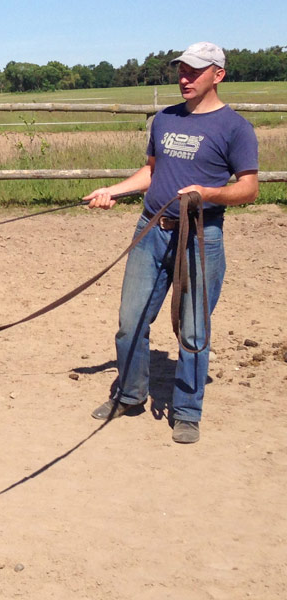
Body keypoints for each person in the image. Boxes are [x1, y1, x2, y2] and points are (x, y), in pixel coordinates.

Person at [83, 42, 259, 444]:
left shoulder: (235, 128)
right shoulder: (163, 120)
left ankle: (186, 411)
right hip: (151, 231)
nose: (184, 77)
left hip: (200, 236)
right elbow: (151, 173)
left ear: (218, 74)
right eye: (181, 69)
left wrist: (209, 193)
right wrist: (113, 190)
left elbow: (249, 189)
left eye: (194, 71)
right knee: (131, 323)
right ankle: (129, 395)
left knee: (194, 331)